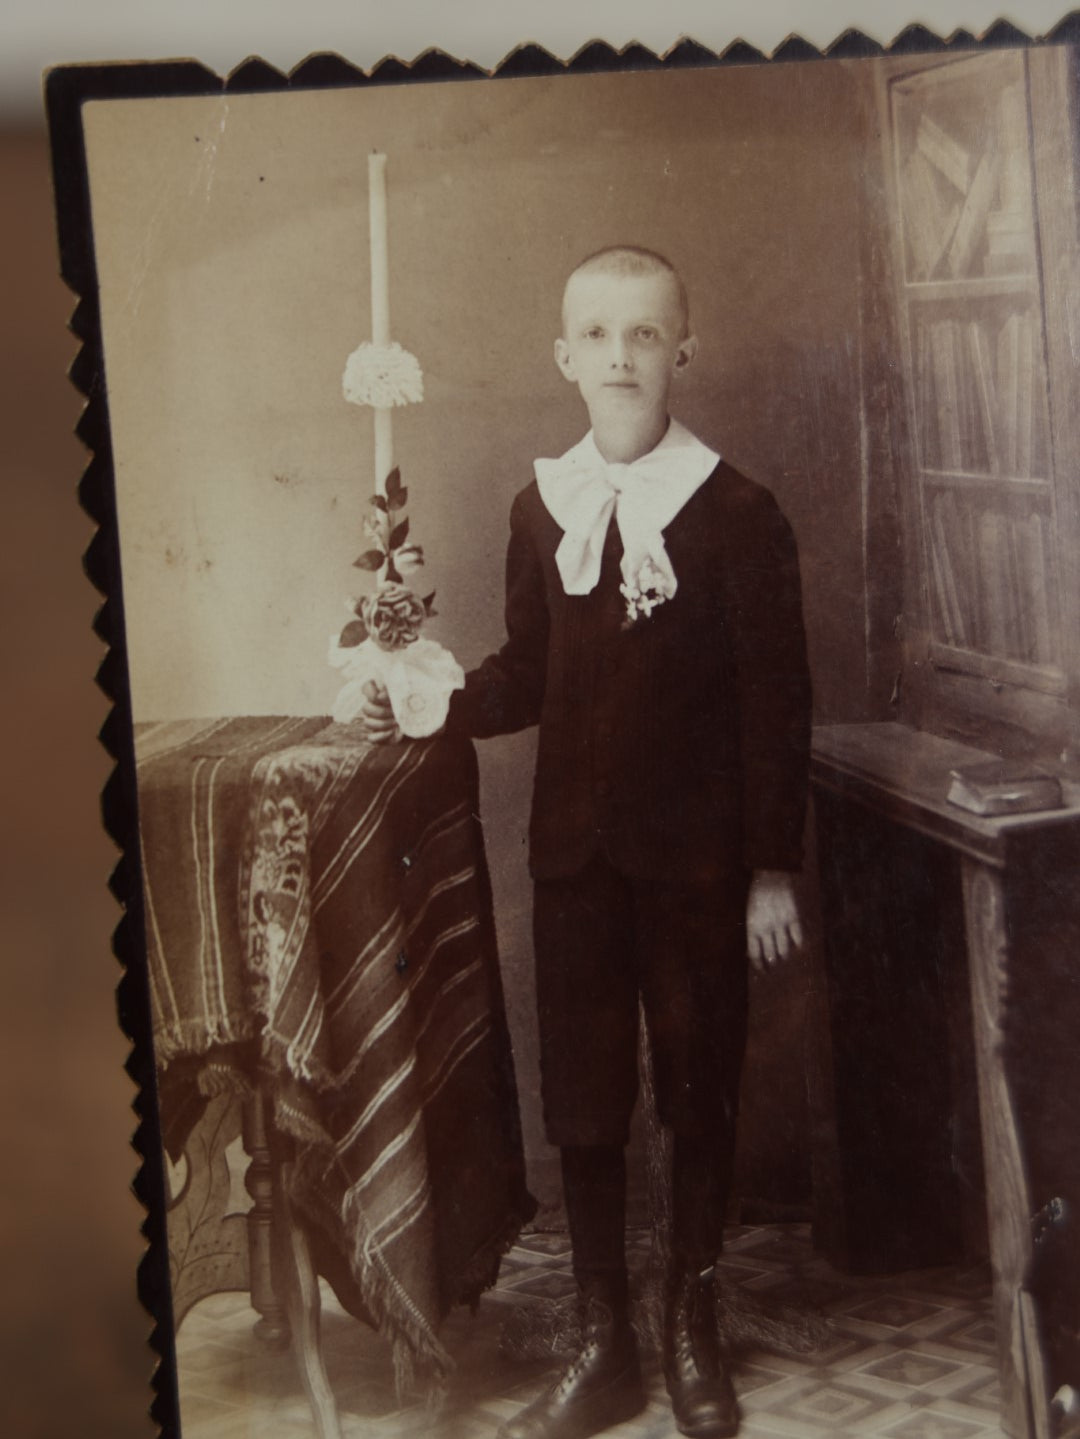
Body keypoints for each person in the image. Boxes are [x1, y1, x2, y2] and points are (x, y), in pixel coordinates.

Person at [358, 246, 812, 1439]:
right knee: (588, 1098)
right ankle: (605, 1340)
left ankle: (691, 1325)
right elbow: (526, 676)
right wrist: (426, 692)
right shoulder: (539, 506)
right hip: (576, 866)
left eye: (647, 335)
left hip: (703, 868)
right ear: (566, 357)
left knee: (697, 1084)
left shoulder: (738, 512)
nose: (622, 357)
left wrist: (770, 866)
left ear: (683, 351)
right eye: (599, 337)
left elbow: (778, 701)